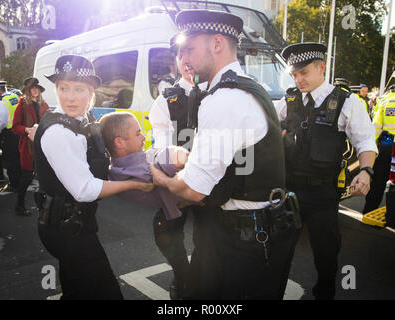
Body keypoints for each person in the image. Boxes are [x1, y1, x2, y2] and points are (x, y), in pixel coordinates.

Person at [150, 9, 299, 300]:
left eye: (190, 48)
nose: (185, 59)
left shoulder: (225, 99)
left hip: (243, 241)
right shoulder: (243, 88)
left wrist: (162, 180)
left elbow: (192, 189)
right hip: (242, 231)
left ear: (217, 44)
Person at [33, 54, 154, 300]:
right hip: (67, 229)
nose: (69, 96)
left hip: (73, 223)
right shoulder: (58, 131)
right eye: (63, 88)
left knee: (77, 290)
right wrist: (133, 184)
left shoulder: (79, 120)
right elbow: (84, 189)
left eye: (78, 89)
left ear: (91, 93)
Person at [275, 42, 378, 299]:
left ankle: (325, 292)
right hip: (289, 191)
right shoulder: (289, 101)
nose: (298, 80)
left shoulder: (347, 102)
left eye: (304, 73)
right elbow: (264, 127)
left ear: (322, 67)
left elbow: (365, 142)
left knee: (326, 254)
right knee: (279, 253)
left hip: (323, 193)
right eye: (294, 75)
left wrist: (365, 171)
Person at [148, 35, 207, 300]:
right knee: (164, 230)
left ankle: (201, 279)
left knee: (209, 238)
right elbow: (161, 143)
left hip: (213, 180)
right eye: (180, 54)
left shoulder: (219, 92)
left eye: (190, 52)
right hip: (180, 179)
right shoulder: (165, 100)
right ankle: (182, 276)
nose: (185, 59)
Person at [99, 111, 190, 221]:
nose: (143, 137)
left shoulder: (114, 172)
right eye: (138, 134)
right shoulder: (142, 169)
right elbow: (181, 156)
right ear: (119, 142)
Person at [363, 79, 395, 214]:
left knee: (378, 182)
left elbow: (376, 126)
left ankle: (368, 211)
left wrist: (372, 148)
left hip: (386, 145)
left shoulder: (385, 100)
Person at [12, 77, 49, 215]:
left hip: (43, 145)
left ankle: (44, 205)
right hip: (28, 146)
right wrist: (27, 130)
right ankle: (19, 206)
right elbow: (15, 128)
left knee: (45, 176)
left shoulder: (44, 105)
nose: (35, 90)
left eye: (37, 88)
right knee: (27, 177)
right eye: (32, 88)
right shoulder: (22, 105)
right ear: (27, 90)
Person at [0, 81, 21, 191]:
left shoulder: (1, 102)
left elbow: (1, 122)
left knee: (10, 160)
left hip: (8, 134)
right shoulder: (14, 96)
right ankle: (20, 182)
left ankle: (14, 184)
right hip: (18, 132)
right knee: (18, 158)